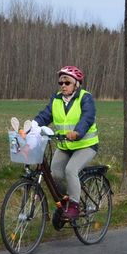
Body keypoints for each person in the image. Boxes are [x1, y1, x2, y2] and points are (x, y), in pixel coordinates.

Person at [31, 65, 99, 220]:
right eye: (60, 83)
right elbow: (45, 115)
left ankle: (74, 206)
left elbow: (87, 118)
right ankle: (65, 202)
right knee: (55, 174)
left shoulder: (85, 98)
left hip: (85, 145)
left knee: (70, 170)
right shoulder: (56, 99)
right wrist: (33, 125)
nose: (63, 86)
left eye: (67, 82)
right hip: (65, 145)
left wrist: (77, 132)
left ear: (76, 84)